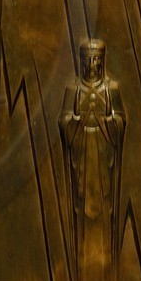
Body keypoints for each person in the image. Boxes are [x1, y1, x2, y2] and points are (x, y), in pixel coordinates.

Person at [59, 38, 127, 268]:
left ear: (102, 61)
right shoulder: (73, 89)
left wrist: (109, 120)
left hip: (102, 152)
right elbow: (64, 121)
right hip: (82, 153)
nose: (92, 63)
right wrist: (75, 121)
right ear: (82, 61)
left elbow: (120, 121)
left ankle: (106, 257)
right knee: (81, 207)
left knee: (104, 208)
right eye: (88, 59)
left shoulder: (110, 89)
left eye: (96, 59)